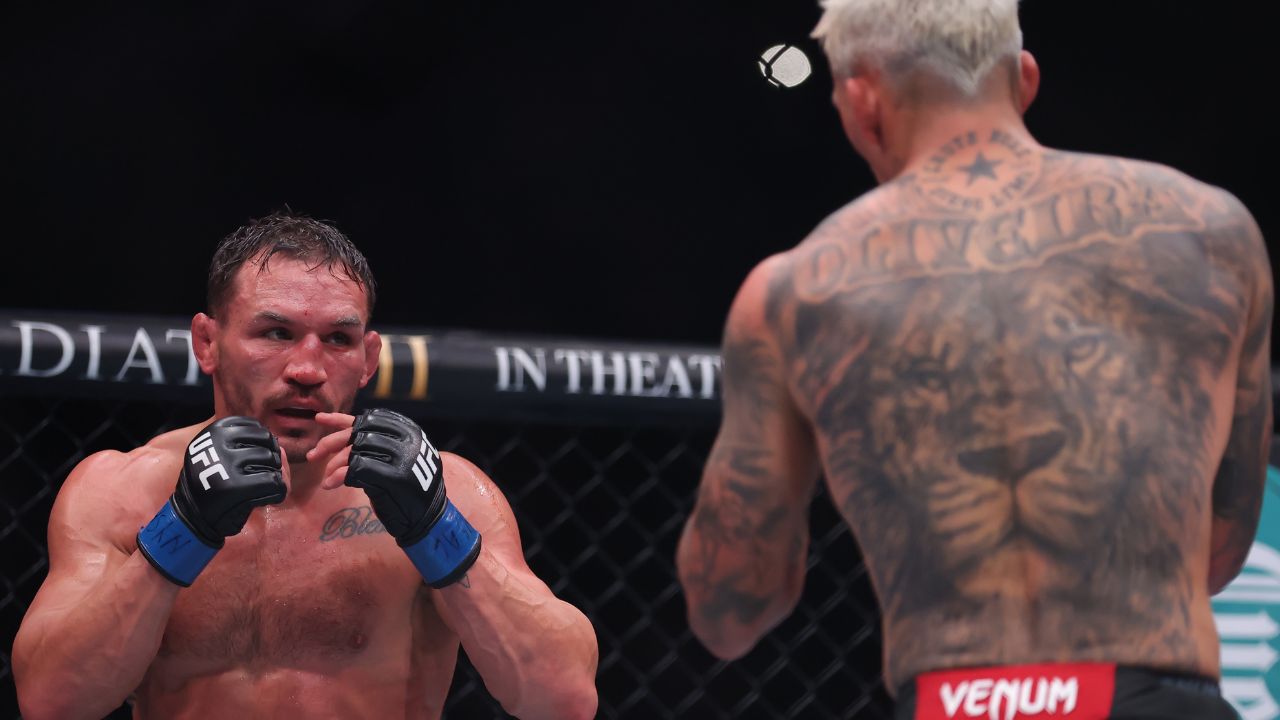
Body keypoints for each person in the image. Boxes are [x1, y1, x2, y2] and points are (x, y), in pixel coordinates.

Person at [675, 0, 1271, 717]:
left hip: (951, 703)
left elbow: (732, 605)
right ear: (1023, 80)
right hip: (1151, 699)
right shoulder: (1210, 233)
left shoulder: (792, 293)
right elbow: (1216, 552)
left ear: (862, 101)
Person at [12, 212, 599, 720]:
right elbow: (52, 700)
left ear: (368, 358)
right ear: (206, 342)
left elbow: (563, 698)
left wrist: (435, 528)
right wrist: (181, 531)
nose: (308, 368)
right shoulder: (122, 489)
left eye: (337, 340)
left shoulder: (450, 490)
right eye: (276, 332)